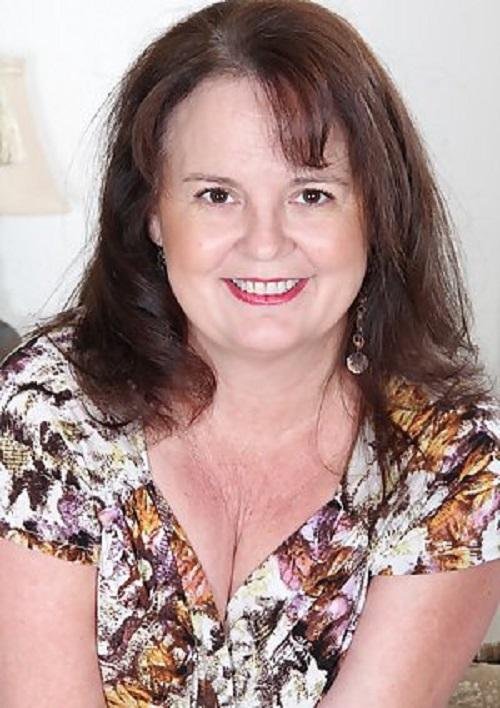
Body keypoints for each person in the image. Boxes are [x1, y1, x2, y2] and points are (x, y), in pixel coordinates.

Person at [0, 0, 499, 705]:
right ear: (152, 214)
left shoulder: (453, 462)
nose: (265, 243)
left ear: (377, 211)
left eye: (312, 194)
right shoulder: (46, 410)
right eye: (217, 195)